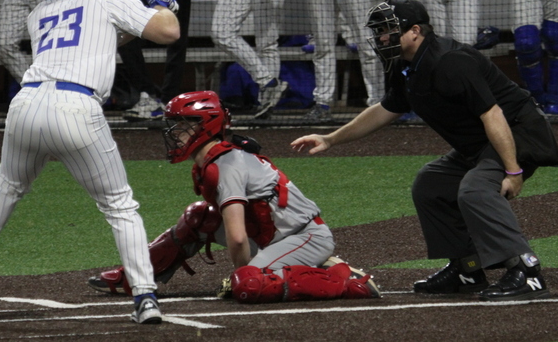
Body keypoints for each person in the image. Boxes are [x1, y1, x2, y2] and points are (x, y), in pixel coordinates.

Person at [0, 0, 181, 324]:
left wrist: (150, 15)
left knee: (7, 186)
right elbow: (168, 33)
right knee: (120, 205)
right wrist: (163, 8)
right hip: (76, 110)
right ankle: (145, 297)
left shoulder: (40, 13)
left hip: (26, 105)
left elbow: (102, 40)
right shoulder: (107, 0)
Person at [292, 0, 558, 301]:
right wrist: (331, 138)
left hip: (518, 135)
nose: (381, 38)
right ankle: (468, 267)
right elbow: (387, 108)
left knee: (475, 190)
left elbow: (493, 114)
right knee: (431, 184)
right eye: (379, 31)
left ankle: (527, 272)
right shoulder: (405, 64)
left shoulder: (450, 61)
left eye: (387, 30)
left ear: (415, 31)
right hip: (481, 143)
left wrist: (513, 171)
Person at [88, 90, 380, 304]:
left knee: (249, 285)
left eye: (183, 125)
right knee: (198, 217)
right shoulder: (213, 159)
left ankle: (345, 280)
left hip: (304, 235)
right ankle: (135, 276)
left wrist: (244, 275)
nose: (174, 133)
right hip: (273, 234)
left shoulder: (225, 167)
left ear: (205, 126)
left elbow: (238, 238)